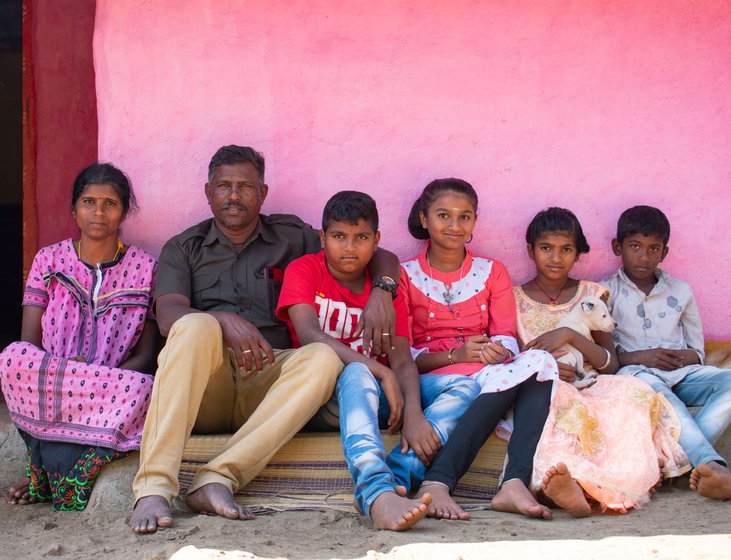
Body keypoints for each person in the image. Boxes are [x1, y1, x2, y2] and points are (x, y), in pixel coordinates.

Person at [129, 146, 401, 533]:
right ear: (208, 192)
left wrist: (383, 290)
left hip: (272, 381)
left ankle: (217, 479)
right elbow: (169, 315)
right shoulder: (183, 247)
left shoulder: (292, 237)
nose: (234, 195)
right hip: (210, 384)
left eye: (245, 186)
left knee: (323, 356)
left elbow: (375, 253)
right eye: (224, 186)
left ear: (264, 192)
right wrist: (222, 320)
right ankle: (154, 487)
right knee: (194, 326)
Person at [276, 191, 482, 530]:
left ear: (376, 241)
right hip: (324, 396)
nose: (350, 247)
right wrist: (381, 372)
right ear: (322, 238)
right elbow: (311, 335)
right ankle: (374, 492)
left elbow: (403, 360)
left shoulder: (386, 290)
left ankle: (398, 477)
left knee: (464, 385)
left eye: (361, 238)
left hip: (381, 397)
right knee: (357, 372)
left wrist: (414, 414)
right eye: (339, 236)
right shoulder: (305, 270)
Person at [0, 163, 158, 511]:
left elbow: (146, 355)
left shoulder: (145, 267)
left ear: (124, 211)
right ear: (74, 208)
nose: (99, 212)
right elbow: (28, 343)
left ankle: (45, 477)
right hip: (54, 379)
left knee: (144, 387)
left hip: (113, 387)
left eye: (110, 203)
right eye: (89, 201)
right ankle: (49, 474)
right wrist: (65, 372)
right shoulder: (49, 260)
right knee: (11, 358)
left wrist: (95, 377)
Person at [401, 178, 561, 520]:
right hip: (437, 378)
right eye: (443, 215)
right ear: (424, 218)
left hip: (488, 373)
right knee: (481, 383)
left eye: (465, 216)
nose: (455, 225)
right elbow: (403, 355)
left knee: (541, 361)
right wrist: (455, 356)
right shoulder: (405, 275)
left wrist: (495, 352)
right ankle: (437, 481)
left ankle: (514, 482)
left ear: (475, 221)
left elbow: (504, 335)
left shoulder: (491, 271)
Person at [514, 207, 690, 516]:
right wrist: (550, 365)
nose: (556, 257)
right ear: (531, 250)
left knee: (632, 392)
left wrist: (570, 334)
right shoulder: (514, 298)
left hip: (597, 381)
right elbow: (513, 355)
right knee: (565, 403)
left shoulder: (593, 293)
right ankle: (568, 484)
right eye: (546, 248)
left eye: (566, 249)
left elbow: (611, 363)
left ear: (578, 253)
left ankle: (600, 486)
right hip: (549, 385)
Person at [602, 205, 731, 501]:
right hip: (638, 376)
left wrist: (688, 357)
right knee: (660, 393)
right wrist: (642, 357)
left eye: (653, 248)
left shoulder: (680, 291)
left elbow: (696, 349)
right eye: (635, 246)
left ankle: (680, 463)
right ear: (617, 247)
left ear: (664, 252)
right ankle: (711, 464)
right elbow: (605, 358)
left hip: (681, 373)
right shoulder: (605, 292)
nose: (644, 257)